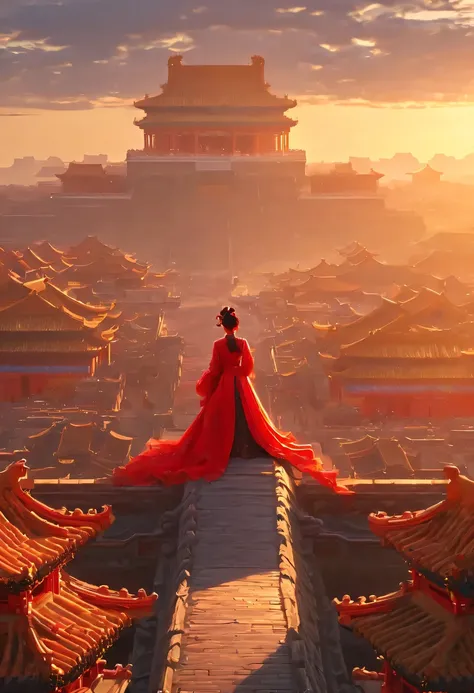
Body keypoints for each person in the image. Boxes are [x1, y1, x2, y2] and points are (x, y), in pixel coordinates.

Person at [112, 307, 351, 493]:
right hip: (241, 384)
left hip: (225, 383)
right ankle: (245, 449)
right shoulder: (244, 343)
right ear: (235, 326)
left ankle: (226, 451)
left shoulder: (218, 345)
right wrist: (238, 373)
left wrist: (214, 380)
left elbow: (215, 368)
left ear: (222, 326)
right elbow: (248, 366)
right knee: (249, 417)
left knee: (222, 419)